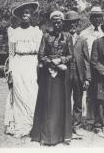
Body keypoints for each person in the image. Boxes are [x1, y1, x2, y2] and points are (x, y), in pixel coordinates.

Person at [30, 11, 73, 146]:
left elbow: (71, 55)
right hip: (48, 74)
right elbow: (41, 54)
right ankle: (46, 136)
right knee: (48, 103)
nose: (57, 23)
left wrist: (61, 60)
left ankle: (62, 136)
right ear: (51, 22)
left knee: (61, 103)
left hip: (62, 75)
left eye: (59, 21)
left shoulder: (68, 36)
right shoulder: (46, 36)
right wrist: (51, 62)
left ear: (62, 22)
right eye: (54, 21)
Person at [4, 2, 43, 137]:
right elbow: (11, 53)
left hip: (32, 64)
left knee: (32, 92)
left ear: (31, 15)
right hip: (18, 64)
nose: (25, 15)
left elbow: (40, 52)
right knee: (19, 93)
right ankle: (20, 124)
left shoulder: (37, 32)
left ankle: (32, 124)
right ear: (19, 17)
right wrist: (10, 71)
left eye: (27, 13)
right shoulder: (14, 32)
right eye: (23, 13)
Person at [64, 11, 91, 136]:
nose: (72, 25)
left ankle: (77, 125)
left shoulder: (82, 40)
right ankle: (64, 125)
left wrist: (87, 78)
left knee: (78, 101)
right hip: (65, 74)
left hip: (79, 74)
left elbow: (87, 60)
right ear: (66, 24)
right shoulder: (62, 38)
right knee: (64, 99)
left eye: (75, 23)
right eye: (70, 23)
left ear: (78, 24)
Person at [80, 6, 104, 129]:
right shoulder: (83, 34)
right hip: (88, 68)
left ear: (102, 18)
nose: (97, 19)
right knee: (89, 94)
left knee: (100, 94)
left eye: (99, 16)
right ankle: (89, 120)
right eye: (94, 16)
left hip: (101, 68)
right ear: (90, 18)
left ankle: (100, 120)